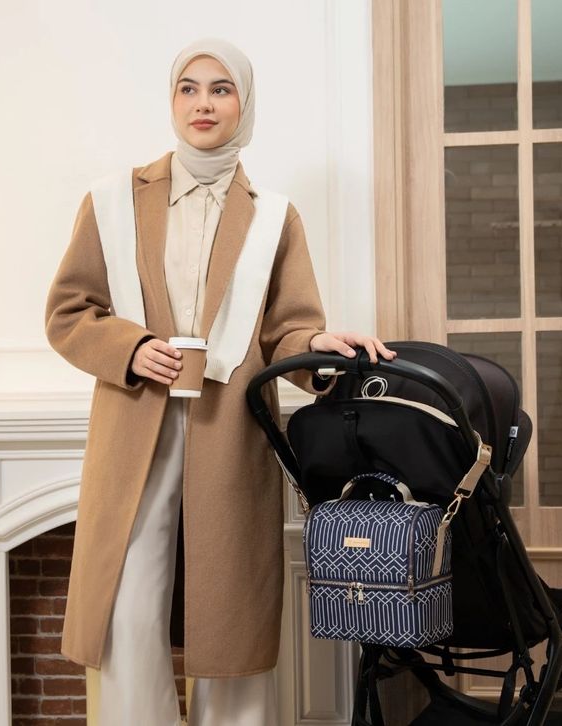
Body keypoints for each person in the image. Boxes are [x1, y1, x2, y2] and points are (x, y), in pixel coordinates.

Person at [45, 38, 395, 726]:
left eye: (221, 89)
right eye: (189, 88)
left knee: (231, 605)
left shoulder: (274, 217)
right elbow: (68, 313)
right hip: (134, 425)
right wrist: (130, 349)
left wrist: (318, 345)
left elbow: (290, 331)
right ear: (172, 101)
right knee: (128, 601)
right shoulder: (112, 200)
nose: (203, 103)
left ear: (244, 103)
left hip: (229, 428)